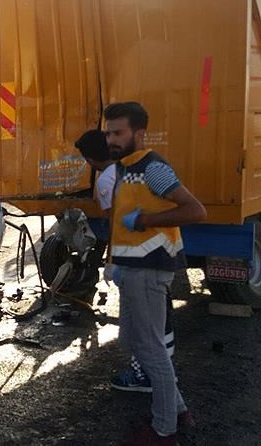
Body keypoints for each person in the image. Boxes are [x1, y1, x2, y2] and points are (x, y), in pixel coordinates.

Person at [103, 102, 206, 445]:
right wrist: (114, 261)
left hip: (149, 270)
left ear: (139, 133)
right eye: (108, 133)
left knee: (150, 350)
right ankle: (178, 410)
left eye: (118, 133)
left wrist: (145, 220)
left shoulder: (152, 168)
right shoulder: (124, 168)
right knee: (133, 341)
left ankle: (164, 430)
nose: (111, 140)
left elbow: (195, 210)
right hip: (132, 269)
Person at [74, 129, 176, 393]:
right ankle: (162, 372)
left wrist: (112, 262)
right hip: (158, 253)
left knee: (142, 325)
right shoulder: (134, 169)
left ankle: (146, 377)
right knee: (160, 318)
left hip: (135, 260)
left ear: (90, 159)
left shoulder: (107, 180)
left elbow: (115, 226)